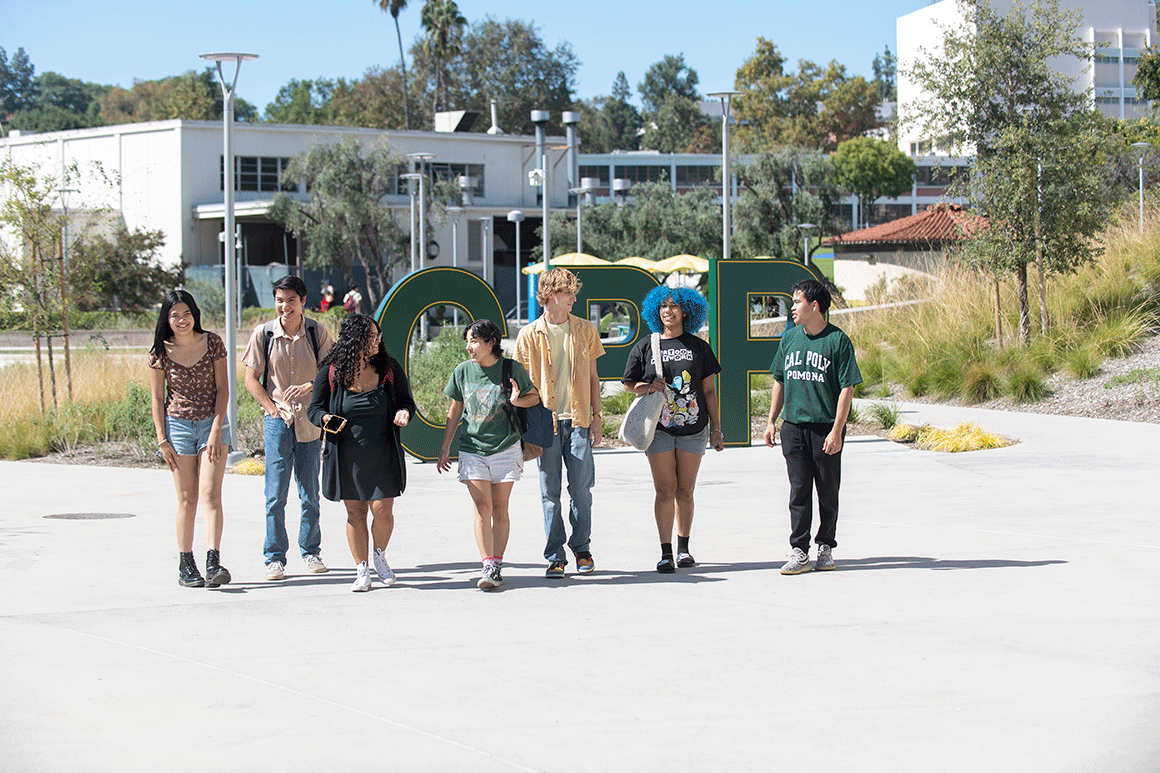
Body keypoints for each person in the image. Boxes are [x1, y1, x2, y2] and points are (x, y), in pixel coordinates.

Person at [307, 314, 416, 592]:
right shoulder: (332, 371)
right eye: (370, 337)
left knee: (383, 509)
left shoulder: (389, 368)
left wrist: (404, 412)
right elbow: (314, 409)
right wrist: (325, 419)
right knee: (355, 512)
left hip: (383, 452)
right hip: (347, 454)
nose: (377, 341)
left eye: (377, 336)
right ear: (355, 340)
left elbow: (406, 402)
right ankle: (362, 569)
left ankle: (379, 556)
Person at [622, 285, 724, 574]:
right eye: (663, 306)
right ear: (657, 311)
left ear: (686, 311)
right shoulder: (646, 345)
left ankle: (684, 548)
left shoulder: (699, 346)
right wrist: (646, 385)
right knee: (665, 490)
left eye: (674, 306)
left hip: (694, 427)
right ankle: (665, 552)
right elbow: (629, 383)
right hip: (659, 428)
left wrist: (717, 429)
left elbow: (709, 391)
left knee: (685, 491)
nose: (668, 311)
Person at [763, 279, 862, 575]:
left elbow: (847, 387)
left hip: (825, 428)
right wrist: (771, 421)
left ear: (814, 305)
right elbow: (779, 380)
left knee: (828, 491)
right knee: (799, 490)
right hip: (793, 426)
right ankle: (799, 551)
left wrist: (837, 430)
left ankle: (826, 546)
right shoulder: (790, 338)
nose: (792, 308)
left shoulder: (838, 341)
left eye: (797, 302)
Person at [514, 268, 605, 579]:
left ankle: (582, 548)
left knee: (581, 490)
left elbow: (593, 378)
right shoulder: (528, 335)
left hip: (579, 420)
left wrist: (597, 418)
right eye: (568, 293)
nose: (574, 298)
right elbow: (520, 385)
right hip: (543, 423)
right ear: (551, 294)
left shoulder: (585, 330)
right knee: (548, 492)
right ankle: (555, 556)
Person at [243, 275, 333, 581]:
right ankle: (274, 558)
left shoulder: (316, 331)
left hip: (310, 421)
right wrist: (271, 408)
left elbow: (332, 374)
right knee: (275, 494)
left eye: (291, 300)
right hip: (278, 422)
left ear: (303, 301)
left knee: (310, 492)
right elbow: (251, 379)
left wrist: (309, 386)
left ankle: (311, 552)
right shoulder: (264, 333)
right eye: (280, 300)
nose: (285, 306)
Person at [438, 319, 540, 591]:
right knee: (482, 509)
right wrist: (445, 446)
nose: (469, 347)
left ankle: (497, 562)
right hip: (472, 448)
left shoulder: (511, 369)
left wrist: (518, 399)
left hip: (506, 447)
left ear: (490, 342)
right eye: (468, 341)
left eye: (474, 341)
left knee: (500, 508)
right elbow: (455, 410)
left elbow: (534, 398)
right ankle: (487, 565)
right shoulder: (462, 371)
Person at [147, 289, 233, 588]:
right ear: (166, 319)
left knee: (210, 494)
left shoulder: (212, 343)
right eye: (175, 315)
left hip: (213, 424)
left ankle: (213, 561)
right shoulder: (160, 352)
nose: (181, 320)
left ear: (194, 314)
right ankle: (186, 564)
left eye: (186, 314)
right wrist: (162, 440)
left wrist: (215, 431)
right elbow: (157, 399)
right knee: (187, 498)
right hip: (178, 428)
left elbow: (223, 389)